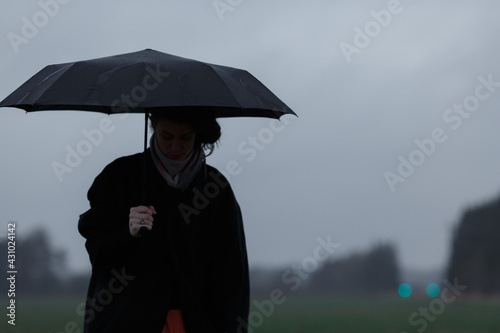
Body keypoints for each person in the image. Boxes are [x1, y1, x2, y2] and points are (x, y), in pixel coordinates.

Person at [78, 109, 250, 333]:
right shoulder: (118, 176)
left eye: (185, 138)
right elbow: (98, 254)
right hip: (124, 322)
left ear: (198, 135)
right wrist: (128, 234)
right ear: (153, 126)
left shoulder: (216, 188)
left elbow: (232, 276)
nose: (175, 147)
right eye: (167, 136)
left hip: (195, 323)